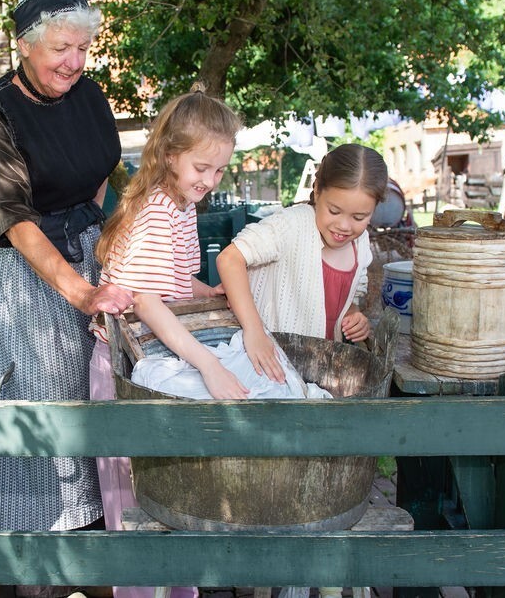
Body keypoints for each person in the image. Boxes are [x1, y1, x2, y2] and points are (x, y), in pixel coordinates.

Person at [0, 0, 133, 595]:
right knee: (41, 407)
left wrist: (103, 248)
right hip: (25, 276)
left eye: (83, 49)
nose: (74, 62)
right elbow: (18, 223)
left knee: (94, 393)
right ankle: (40, 564)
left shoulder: (89, 93)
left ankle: (97, 546)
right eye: (61, 48)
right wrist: (80, 292)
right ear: (24, 44)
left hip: (85, 253)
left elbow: (101, 172)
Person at [89, 84, 245, 598]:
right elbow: (148, 302)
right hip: (128, 368)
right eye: (202, 167)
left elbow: (173, 284)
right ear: (170, 155)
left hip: (157, 357)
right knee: (140, 503)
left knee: (173, 494)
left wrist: (211, 291)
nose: (211, 180)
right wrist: (209, 364)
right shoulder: (158, 211)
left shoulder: (180, 207)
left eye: (220, 170)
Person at [216, 143, 388, 381]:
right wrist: (255, 332)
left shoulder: (360, 242)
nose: (344, 226)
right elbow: (229, 259)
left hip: (320, 369)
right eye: (334, 211)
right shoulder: (292, 225)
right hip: (268, 365)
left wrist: (354, 314)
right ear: (317, 191)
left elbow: (350, 294)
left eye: (359, 217)